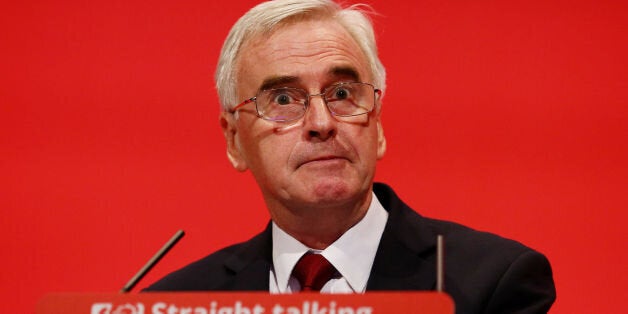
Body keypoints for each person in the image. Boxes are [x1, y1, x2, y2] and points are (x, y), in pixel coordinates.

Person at [145, 0, 556, 312]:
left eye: (342, 93)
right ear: (234, 140)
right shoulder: (176, 303)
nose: (321, 122)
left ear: (376, 123)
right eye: (284, 98)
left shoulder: (489, 284)